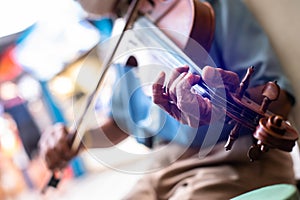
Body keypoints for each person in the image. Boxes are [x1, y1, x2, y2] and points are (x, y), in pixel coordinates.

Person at [39, 0, 297, 199]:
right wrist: (73, 141)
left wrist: (219, 109)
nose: (136, 10)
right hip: (166, 165)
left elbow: (279, 99)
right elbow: (123, 120)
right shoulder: (130, 33)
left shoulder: (209, 7)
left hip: (239, 159)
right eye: (121, 8)